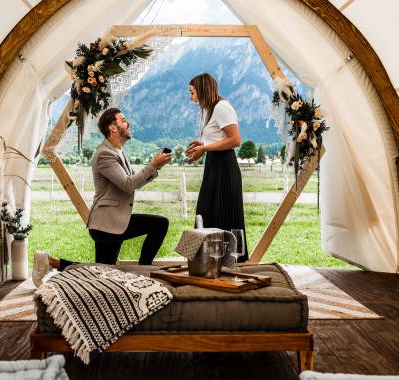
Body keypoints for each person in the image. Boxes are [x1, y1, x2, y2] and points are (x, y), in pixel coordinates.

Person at [32, 107, 171, 286]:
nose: (128, 123)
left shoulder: (117, 152)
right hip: (107, 224)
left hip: (112, 222)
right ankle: (145, 272)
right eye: (123, 120)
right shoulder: (105, 154)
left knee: (102, 273)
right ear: (112, 128)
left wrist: (156, 167)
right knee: (159, 224)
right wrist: (152, 165)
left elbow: (133, 182)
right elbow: (128, 185)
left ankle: (50, 262)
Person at [186, 73, 248, 261]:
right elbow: (217, 138)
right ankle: (207, 260)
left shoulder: (222, 107)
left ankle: (231, 261)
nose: (191, 98)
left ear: (203, 90)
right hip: (213, 164)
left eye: (193, 93)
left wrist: (205, 147)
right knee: (208, 211)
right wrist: (202, 144)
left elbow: (235, 140)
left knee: (223, 212)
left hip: (225, 167)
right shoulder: (208, 109)